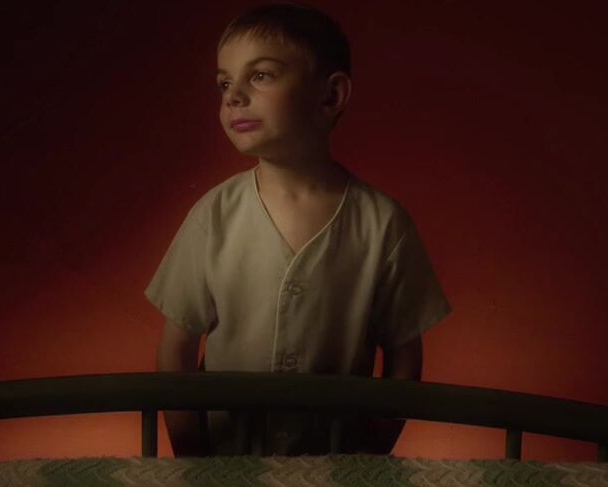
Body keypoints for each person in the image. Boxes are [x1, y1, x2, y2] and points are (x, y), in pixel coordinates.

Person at [147, 1, 452, 457]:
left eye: (261, 75)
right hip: (226, 466)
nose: (233, 96)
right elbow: (176, 350)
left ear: (330, 96)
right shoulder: (212, 216)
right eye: (224, 83)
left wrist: (369, 460)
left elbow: (405, 360)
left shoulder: (384, 224)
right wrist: (193, 461)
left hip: (338, 466)